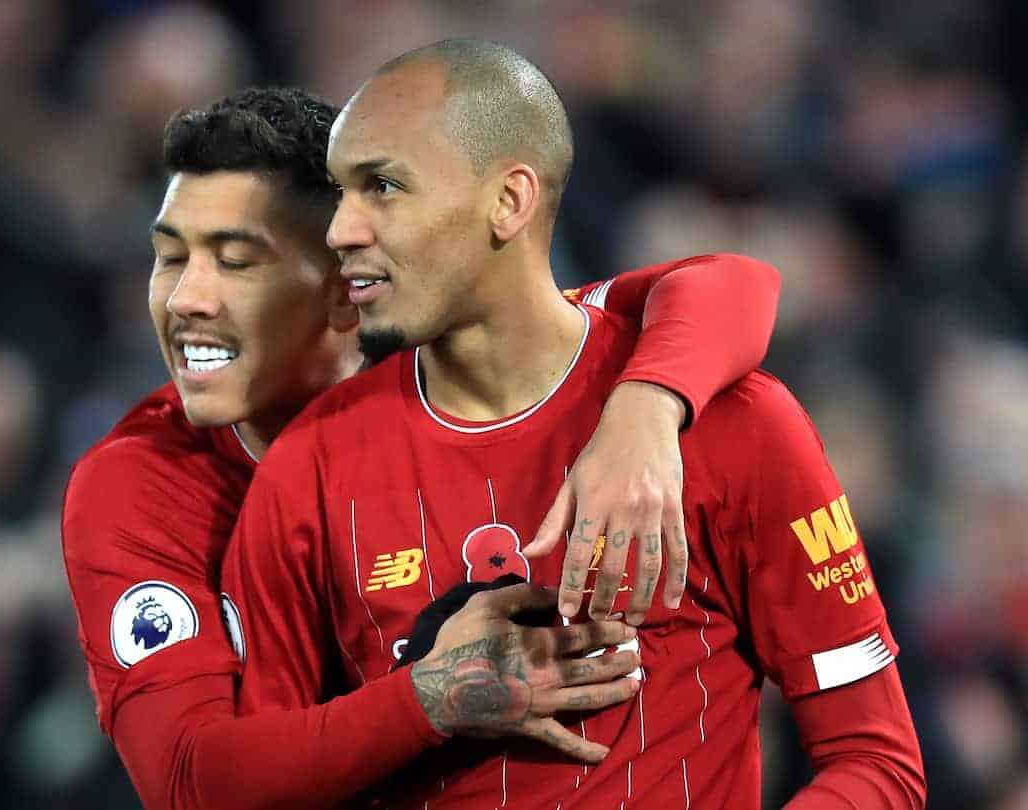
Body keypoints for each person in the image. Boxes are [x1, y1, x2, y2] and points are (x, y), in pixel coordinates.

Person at [219, 41, 926, 808]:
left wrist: (646, 410)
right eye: (339, 192)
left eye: (383, 186)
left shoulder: (732, 425)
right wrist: (423, 699)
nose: (341, 230)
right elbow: (252, 786)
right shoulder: (308, 470)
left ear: (510, 201)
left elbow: (876, 761)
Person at [62, 87, 782, 809]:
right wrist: (436, 694)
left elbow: (730, 285)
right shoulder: (138, 484)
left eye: (236, 262)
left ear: (348, 289)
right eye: (169, 257)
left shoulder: (448, 362)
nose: (185, 298)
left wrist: (647, 408)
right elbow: (191, 784)